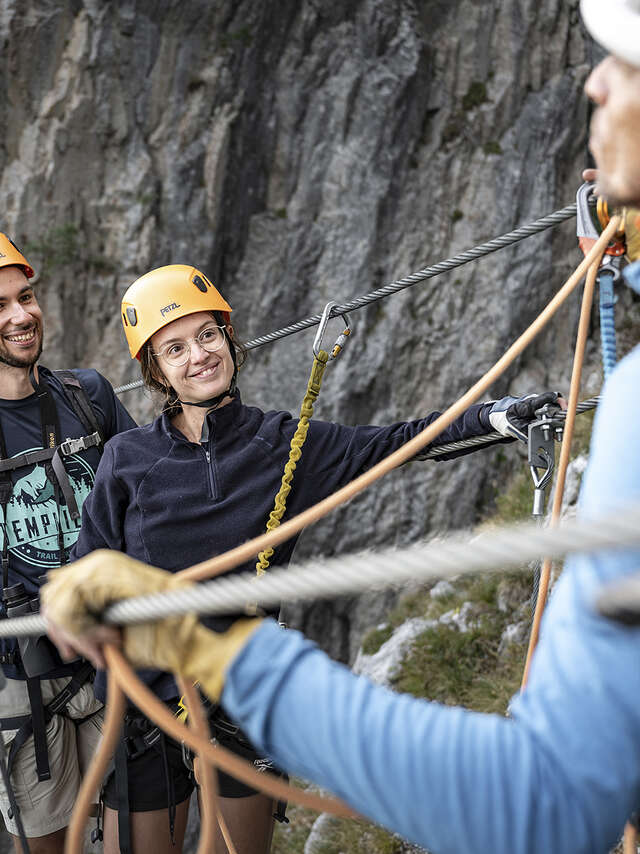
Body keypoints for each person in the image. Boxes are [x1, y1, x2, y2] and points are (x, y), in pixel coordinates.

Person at [41, 258, 557, 854]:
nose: (199, 356)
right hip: (144, 706)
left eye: (207, 335)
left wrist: (492, 417)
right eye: (175, 349)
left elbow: (397, 443)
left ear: (229, 338)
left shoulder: (282, 444)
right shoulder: (127, 459)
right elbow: (89, 568)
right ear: (156, 371)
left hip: (239, 691)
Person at [0, 236, 137, 854]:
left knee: (136, 828)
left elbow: (147, 499)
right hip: (20, 669)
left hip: (109, 647)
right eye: (1, 305)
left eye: (26, 297)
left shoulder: (90, 396)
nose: (21, 315)